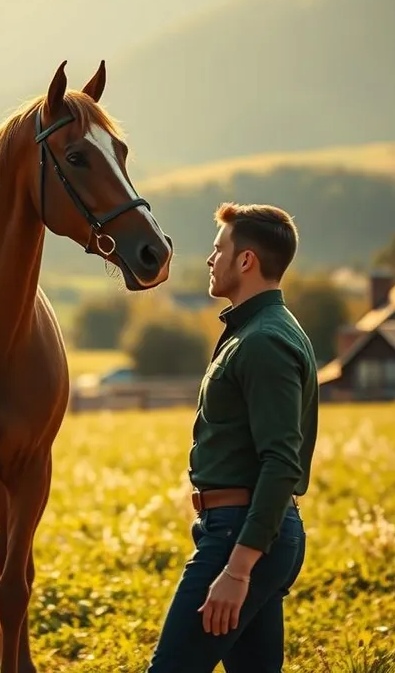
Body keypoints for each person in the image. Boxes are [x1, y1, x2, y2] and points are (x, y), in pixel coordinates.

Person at [147, 202, 319, 673]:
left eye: (218, 247)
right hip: (243, 532)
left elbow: (282, 462)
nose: (209, 258)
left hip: (241, 537)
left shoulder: (264, 341)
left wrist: (238, 569)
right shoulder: (255, 331)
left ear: (246, 261)